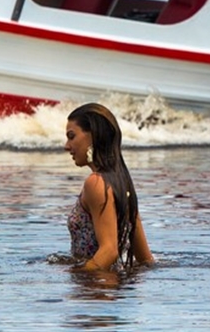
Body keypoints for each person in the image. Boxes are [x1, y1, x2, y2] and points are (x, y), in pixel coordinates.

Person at [63, 103, 154, 273]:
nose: (66, 146)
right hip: (114, 289)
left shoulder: (96, 183)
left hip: (95, 290)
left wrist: (76, 275)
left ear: (93, 136)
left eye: (71, 136)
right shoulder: (122, 182)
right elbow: (146, 259)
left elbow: (109, 251)